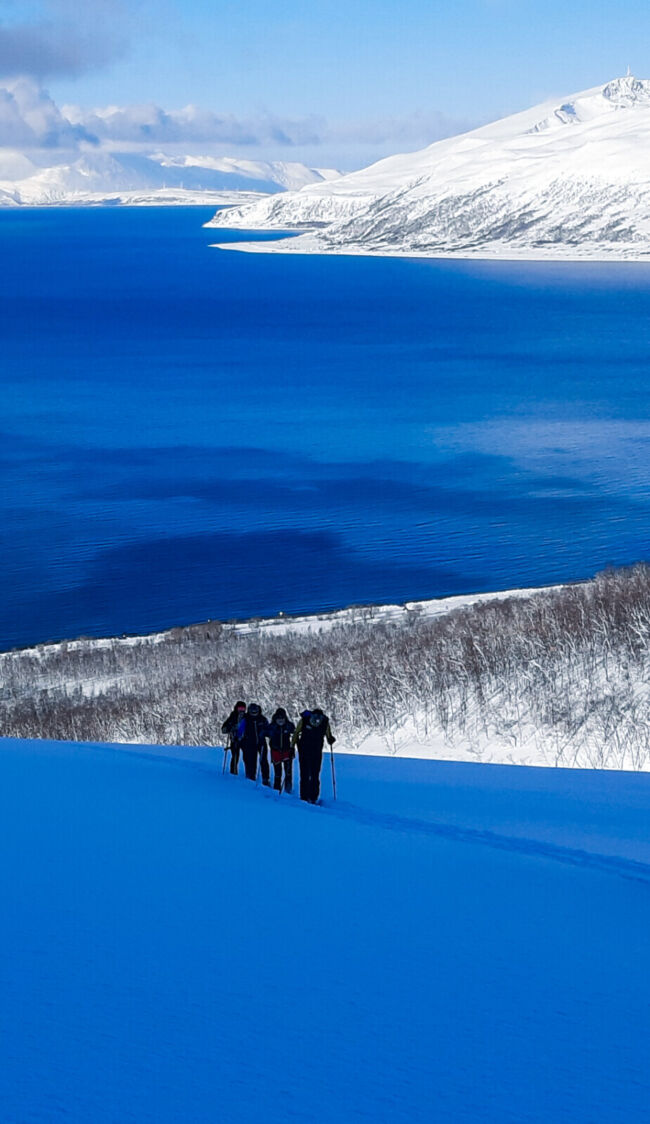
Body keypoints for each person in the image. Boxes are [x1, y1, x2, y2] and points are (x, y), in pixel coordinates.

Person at [292, 708, 335, 804]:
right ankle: (308, 796)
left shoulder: (321, 722)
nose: (317, 721)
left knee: (311, 774)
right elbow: (296, 733)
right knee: (308, 774)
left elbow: (296, 733)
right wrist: (330, 739)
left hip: (313, 751)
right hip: (306, 751)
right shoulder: (309, 720)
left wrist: (330, 739)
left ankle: (310, 796)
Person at [237, 703, 270, 784]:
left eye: (255, 712)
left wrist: (265, 733)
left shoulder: (262, 719)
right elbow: (240, 730)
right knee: (251, 760)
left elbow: (269, 729)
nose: (254, 714)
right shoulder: (246, 719)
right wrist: (239, 738)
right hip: (249, 742)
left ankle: (265, 778)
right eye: (252, 712)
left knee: (264, 761)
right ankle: (251, 776)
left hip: (261, 742)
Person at [266, 707, 296, 793]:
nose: (280, 720)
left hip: (287, 751)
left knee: (288, 772)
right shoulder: (272, 727)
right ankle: (276, 789)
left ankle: (288, 789)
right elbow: (264, 732)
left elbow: (295, 732)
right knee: (277, 772)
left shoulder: (289, 725)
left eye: (282, 718)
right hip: (276, 751)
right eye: (278, 718)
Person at [221, 700, 246, 775]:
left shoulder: (246, 717)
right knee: (235, 756)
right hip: (234, 739)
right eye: (240, 709)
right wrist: (229, 728)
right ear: (236, 708)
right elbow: (224, 728)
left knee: (247, 758)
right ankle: (233, 773)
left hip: (245, 739)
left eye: (243, 709)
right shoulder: (233, 716)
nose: (241, 710)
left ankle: (249, 775)